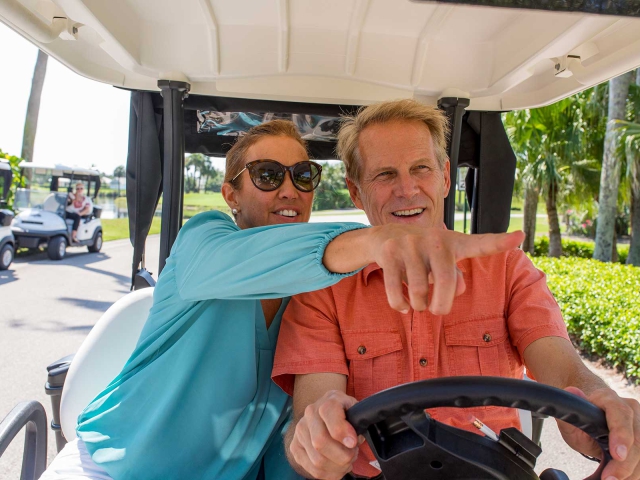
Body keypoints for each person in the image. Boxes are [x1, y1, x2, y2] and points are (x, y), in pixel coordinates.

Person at [40, 119, 522, 480]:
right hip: (120, 466)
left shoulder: (318, 290)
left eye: (303, 175)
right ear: (231, 192)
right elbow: (255, 259)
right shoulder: (202, 240)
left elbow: (293, 429)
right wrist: (379, 239)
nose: (289, 189)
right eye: (268, 175)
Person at [271, 100, 640, 480]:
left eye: (421, 169)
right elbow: (312, 414)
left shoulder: (508, 269)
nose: (407, 189)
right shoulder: (322, 293)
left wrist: (602, 406)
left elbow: (565, 372)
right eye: (384, 175)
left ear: (445, 176)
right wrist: (315, 440)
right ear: (355, 191)